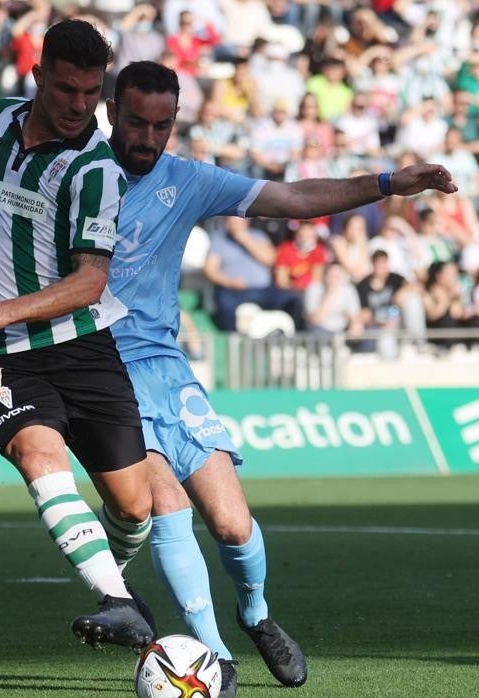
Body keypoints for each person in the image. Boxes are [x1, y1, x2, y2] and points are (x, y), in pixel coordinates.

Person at [100, 61, 456, 693]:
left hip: (168, 369)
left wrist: (387, 184)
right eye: (135, 122)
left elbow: (292, 200)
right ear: (111, 113)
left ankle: (256, 616)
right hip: (101, 372)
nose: (148, 138)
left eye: (162, 125)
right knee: (168, 502)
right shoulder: (79, 176)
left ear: (175, 121)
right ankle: (213, 658)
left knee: (234, 525)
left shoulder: (187, 180)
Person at [0, 20, 156, 652]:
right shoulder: (0, 118)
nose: (80, 106)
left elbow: (89, 283)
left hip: (80, 342)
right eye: (67, 89)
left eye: (92, 92)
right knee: (41, 458)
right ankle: (117, 601)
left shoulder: (95, 171)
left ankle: (114, 583)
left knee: (133, 508)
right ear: (38, 77)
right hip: (0, 353)